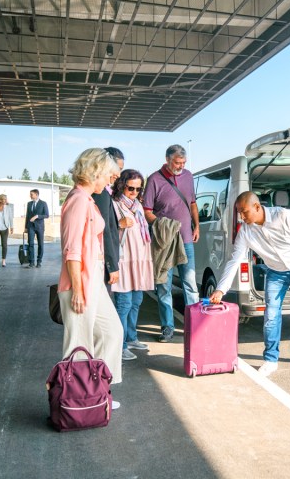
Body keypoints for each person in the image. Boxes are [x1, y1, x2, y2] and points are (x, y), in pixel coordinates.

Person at [209, 191, 290, 377]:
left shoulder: (283, 216)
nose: (241, 217)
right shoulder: (245, 231)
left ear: (257, 207)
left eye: (244, 212)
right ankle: (270, 360)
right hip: (275, 274)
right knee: (271, 316)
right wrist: (221, 289)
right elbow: (234, 260)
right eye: (239, 213)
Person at [57, 147, 124, 408]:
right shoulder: (77, 200)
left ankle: (96, 393)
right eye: (108, 175)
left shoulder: (87, 200)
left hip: (92, 278)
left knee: (111, 333)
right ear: (95, 171)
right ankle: (76, 400)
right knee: (78, 342)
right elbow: (71, 250)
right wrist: (77, 288)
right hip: (80, 280)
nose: (110, 180)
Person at [143, 144, 200, 343]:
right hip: (164, 242)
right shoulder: (154, 180)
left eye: (183, 163)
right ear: (167, 160)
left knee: (190, 284)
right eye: (177, 162)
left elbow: (192, 203)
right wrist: (160, 224)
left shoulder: (189, 176)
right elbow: (147, 210)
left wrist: (197, 225)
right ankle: (167, 327)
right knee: (164, 287)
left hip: (185, 239)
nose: (181, 166)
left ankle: (195, 326)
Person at [111, 169, 154, 360]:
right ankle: (120, 346)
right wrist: (119, 223)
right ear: (122, 185)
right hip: (124, 260)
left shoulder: (137, 205)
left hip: (140, 259)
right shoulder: (114, 204)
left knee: (136, 302)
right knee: (124, 304)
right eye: (130, 188)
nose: (134, 192)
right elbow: (106, 229)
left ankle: (132, 337)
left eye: (138, 189)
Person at [92, 147, 125, 292]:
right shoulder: (100, 194)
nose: (118, 174)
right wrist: (112, 265)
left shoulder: (103, 192)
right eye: (117, 168)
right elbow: (104, 230)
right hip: (102, 263)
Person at [24, 189, 49, 268]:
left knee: (40, 244)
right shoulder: (29, 204)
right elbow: (27, 216)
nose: (30, 196)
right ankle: (31, 262)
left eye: (31, 194)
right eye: (30, 194)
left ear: (36, 194)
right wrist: (26, 227)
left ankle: (39, 262)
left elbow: (46, 215)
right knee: (30, 244)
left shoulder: (43, 203)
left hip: (40, 227)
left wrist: (37, 216)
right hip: (31, 226)